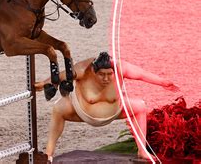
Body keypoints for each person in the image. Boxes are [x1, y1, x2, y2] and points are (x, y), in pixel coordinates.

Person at [34, 52, 179, 163]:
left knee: (140, 106)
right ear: (93, 70)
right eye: (101, 74)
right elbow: (60, 76)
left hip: (115, 112)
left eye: (109, 74)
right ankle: (49, 153)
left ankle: (142, 150)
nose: (106, 79)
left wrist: (163, 82)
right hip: (82, 113)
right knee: (58, 107)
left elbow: (141, 74)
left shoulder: (121, 67)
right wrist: (42, 84)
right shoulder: (82, 69)